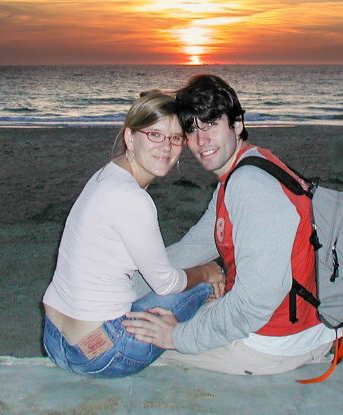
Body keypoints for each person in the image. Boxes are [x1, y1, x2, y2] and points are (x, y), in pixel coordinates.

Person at [123, 75, 339, 376]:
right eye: (191, 129)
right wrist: (121, 285)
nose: (201, 141)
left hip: (274, 343)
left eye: (210, 124)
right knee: (152, 309)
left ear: (237, 125)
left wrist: (176, 337)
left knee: (131, 338)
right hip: (291, 323)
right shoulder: (246, 169)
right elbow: (193, 248)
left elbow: (254, 302)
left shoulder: (251, 185)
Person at [41, 91, 225, 378]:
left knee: (159, 280)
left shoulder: (107, 174)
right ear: (130, 138)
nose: (166, 147)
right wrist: (206, 271)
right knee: (203, 286)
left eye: (175, 138)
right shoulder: (133, 198)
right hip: (104, 353)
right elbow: (164, 283)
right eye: (154, 135)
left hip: (55, 339)